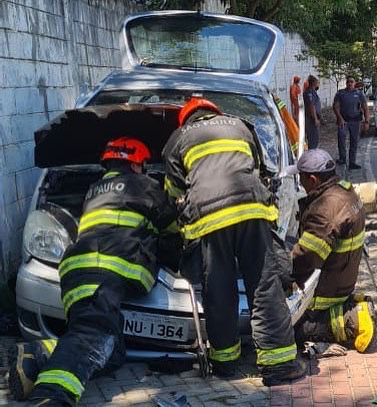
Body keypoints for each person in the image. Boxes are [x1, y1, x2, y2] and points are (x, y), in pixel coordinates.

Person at [9, 137, 177, 406]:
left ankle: (39, 352)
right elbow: (172, 227)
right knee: (90, 339)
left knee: (111, 350)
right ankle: (51, 394)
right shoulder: (144, 185)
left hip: (76, 271)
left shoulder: (94, 189)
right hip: (104, 270)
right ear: (136, 165)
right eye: (143, 165)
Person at [163, 97, 305, 385]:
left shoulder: (177, 139)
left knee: (218, 289)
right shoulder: (241, 126)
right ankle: (278, 365)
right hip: (252, 209)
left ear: (188, 119)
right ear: (213, 111)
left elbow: (173, 191)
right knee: (264, 286)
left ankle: (225, 362)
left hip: (209, 219)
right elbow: (258, 167)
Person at [289, 149, 375, 354]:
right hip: (341, 282)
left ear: (312, 179)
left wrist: (280, 268)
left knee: (288, 330)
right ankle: (345, 311)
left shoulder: (325, 211)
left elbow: (306, 258)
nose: (300, 185)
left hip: (323, 295)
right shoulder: (345, 191)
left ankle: (349, 322)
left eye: (301, 179)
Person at [333, 76, 369, 170]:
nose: (350, 83)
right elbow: (336, 106)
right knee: (341, 138)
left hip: (355, 121)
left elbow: (365, 107)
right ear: (346, 83)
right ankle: (342, 158)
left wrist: (366, 121)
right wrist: (339, 118)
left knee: (354, 141)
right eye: (348, 82)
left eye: (352, 82)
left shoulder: (359, 94)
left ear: (354, 83)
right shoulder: (341, 93)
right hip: (343, 121)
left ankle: (352, 162)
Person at [303, 75, 322, 149]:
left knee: (314, 138)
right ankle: (312, 156)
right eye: (318, 82)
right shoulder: (309, 92)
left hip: (313, 118)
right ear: (314, 83)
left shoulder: (312, 91)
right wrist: (315, 119)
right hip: (311, 119)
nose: (318, 84)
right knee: (313, 139)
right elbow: (311, 106)